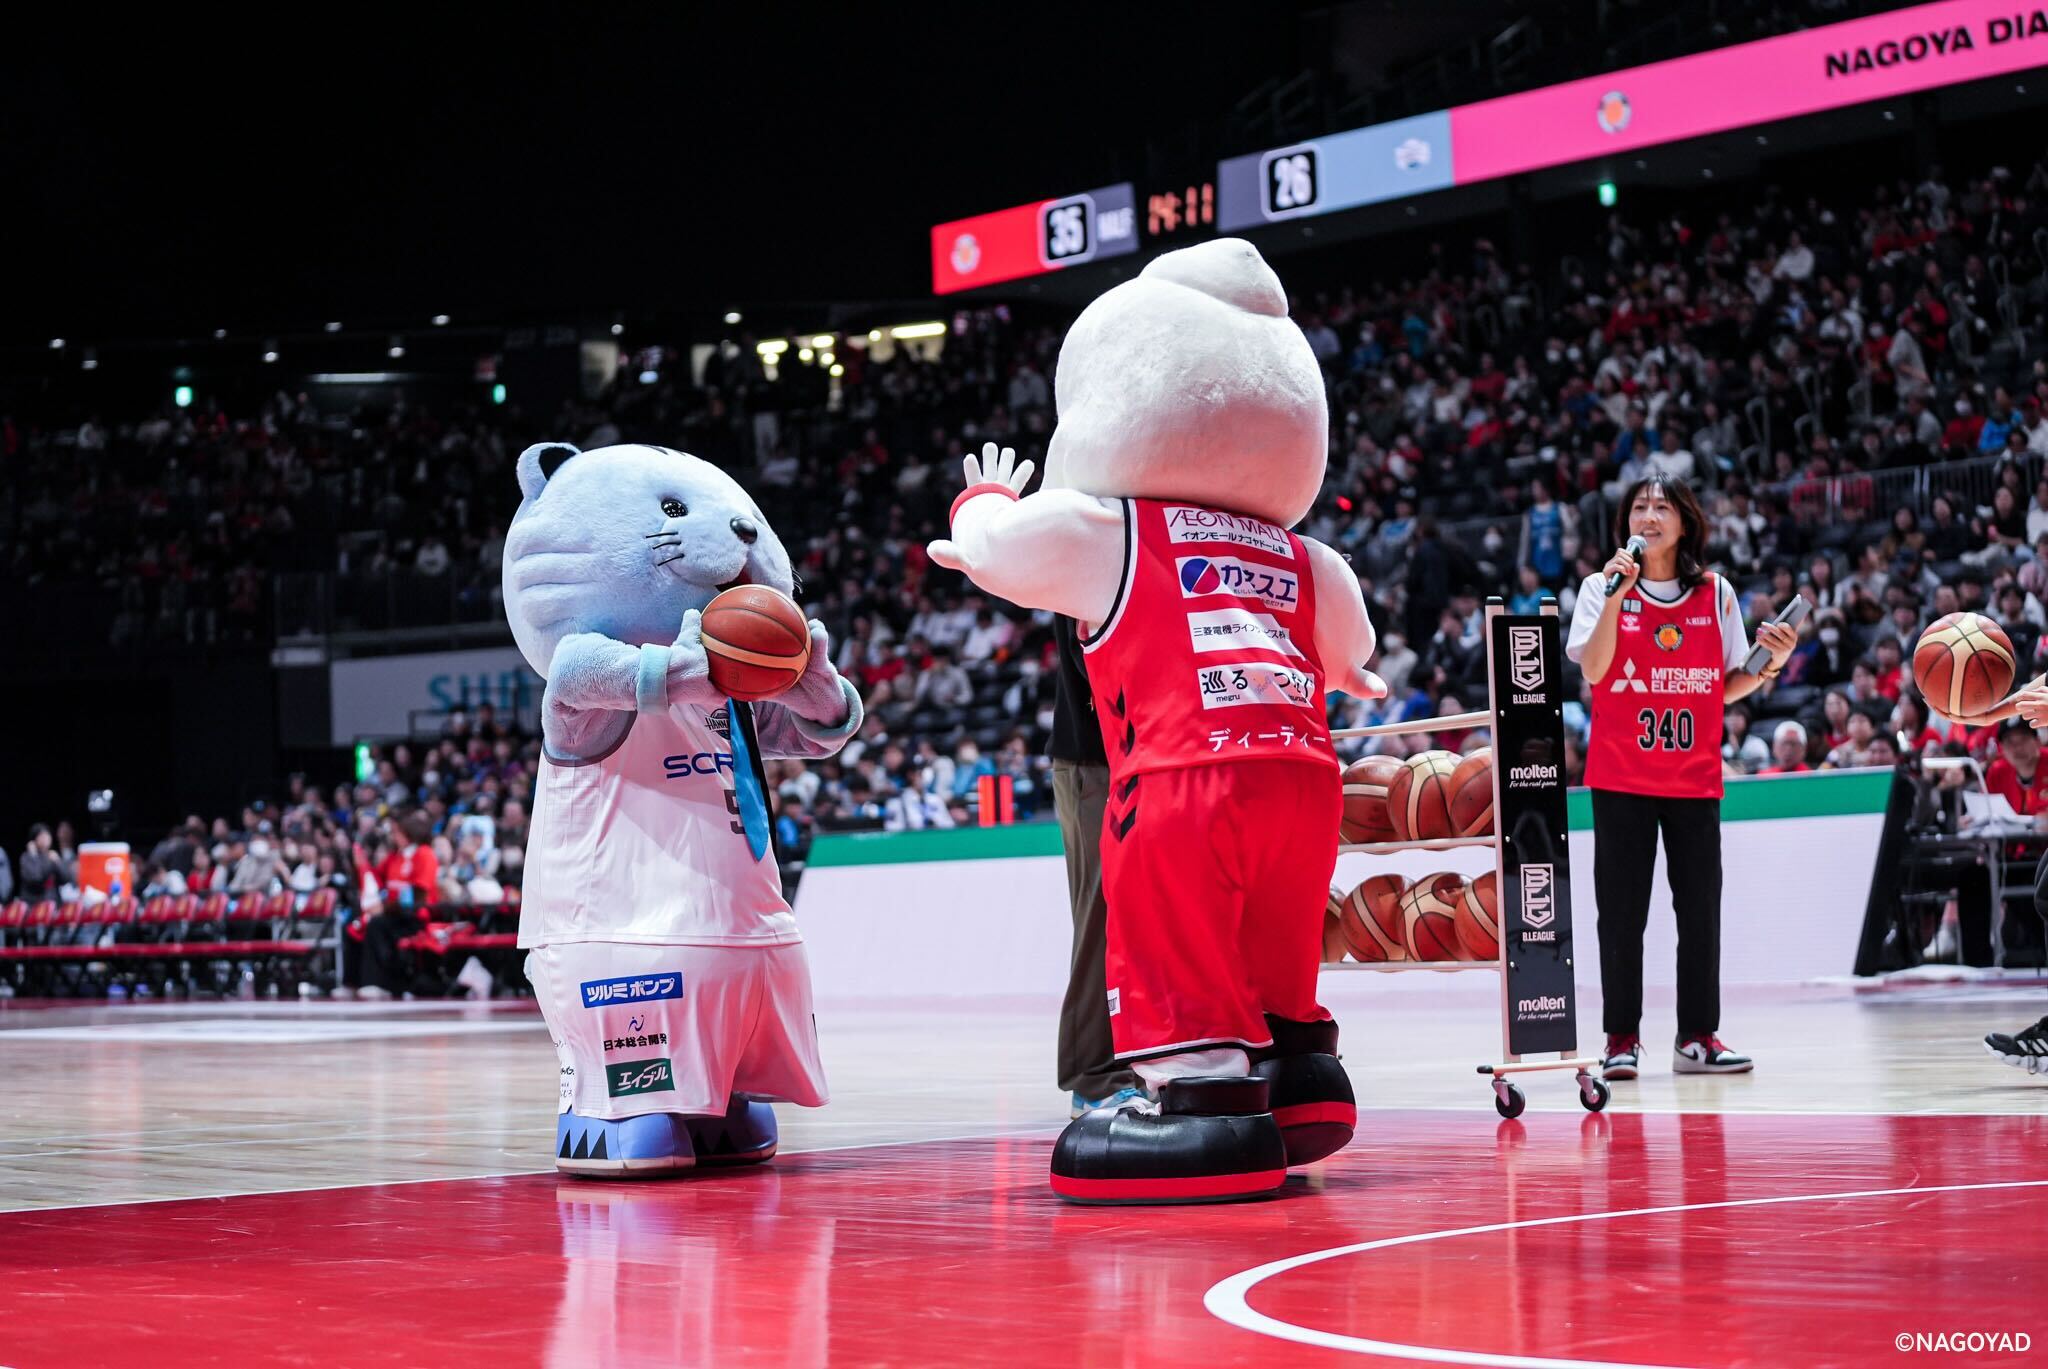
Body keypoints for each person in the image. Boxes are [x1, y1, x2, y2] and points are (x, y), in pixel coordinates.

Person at [1567, 477, 1797, 1083]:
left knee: (1700, 914)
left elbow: (1726, 685)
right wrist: (1617, 596)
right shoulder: (1598, 588)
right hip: (1621, 776)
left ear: (1686, 522)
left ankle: (1697, 1038)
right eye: (1639, 507)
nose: (1648, 516)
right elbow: (1595, 669)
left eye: (1661, 507)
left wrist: (1773, 661)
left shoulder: (1716, 593)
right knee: (1621, 916)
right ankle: (1620, 1040)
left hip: (1694, 777)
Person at [1048, 615, 1142, 1117]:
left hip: (1145, 754)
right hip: (1097, 760)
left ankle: (1146, 1060)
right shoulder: (1099, 566)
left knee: (1147, 920)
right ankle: (1094, 1075)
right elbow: (1097, 657)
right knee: (1103, 917)